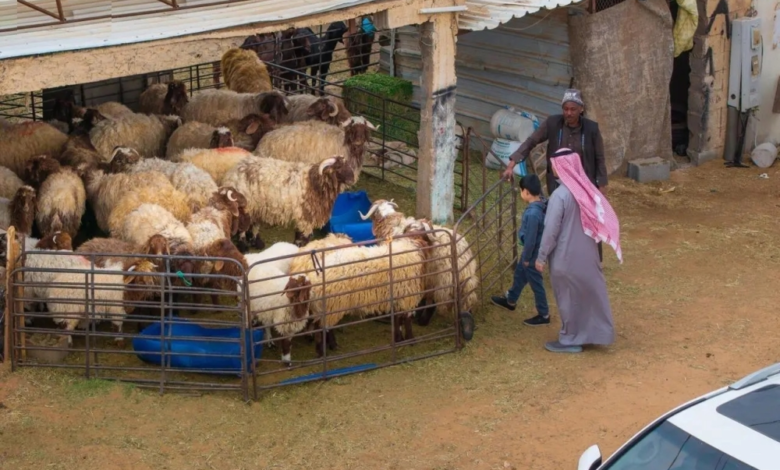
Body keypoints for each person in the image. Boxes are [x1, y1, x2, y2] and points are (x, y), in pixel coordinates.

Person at [502, 88, 609, 261]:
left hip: (585, 183)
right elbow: (532, 141)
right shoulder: (553, 124)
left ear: (581, 109)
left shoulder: (591, 129)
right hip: (559, 183)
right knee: (560, 220)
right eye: (565, 109)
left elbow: (600, 157)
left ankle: (595, 260)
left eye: (573, 109)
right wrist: (513, 161)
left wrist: (601, 186)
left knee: (590, 218)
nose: (568, 113)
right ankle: (560, 257)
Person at [535, 147, 623, 354]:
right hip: (588, 255)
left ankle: (570, 339)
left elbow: (551, 231)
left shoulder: (560, 196)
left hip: (566, 258)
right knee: (590, 296)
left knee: (568, 298)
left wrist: (541, 256)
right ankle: (596, 334)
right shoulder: (585, 190)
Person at [491, 174, 550, 327]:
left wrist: (527, 258)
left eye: (521, 190)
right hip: (532, 251)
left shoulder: (532, 214)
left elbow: (530, 240)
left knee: (536, 282)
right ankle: (511, 299)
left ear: (526, 192)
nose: (520, 193)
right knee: (520, 274)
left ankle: (544, 314)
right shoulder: (542, 204)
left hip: (532, 254)